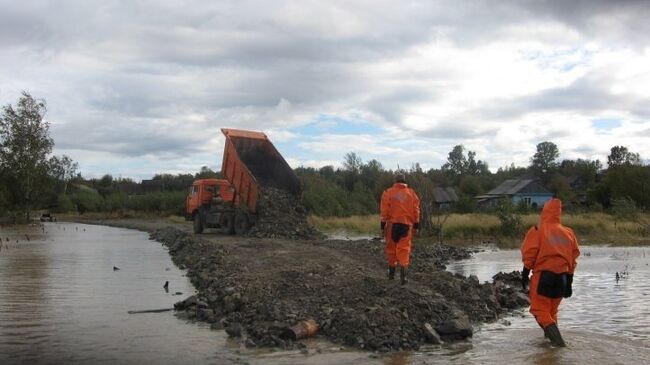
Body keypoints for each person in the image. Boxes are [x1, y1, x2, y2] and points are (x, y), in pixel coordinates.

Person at [521, 198, 580, 347]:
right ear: (559, 213)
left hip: (544, 277)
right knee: (551, 313)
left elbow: (530, 254)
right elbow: (573, 258)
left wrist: (524, 275)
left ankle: (559, 344)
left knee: (539, 311)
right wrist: (570, 282)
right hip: (563, 278)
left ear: (544, 212)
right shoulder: (569, 233)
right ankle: (550, 349)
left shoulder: (538, 230)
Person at [380, 173, 420, 285]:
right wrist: (416, 226)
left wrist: (382, 227)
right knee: (404, 250)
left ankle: (391, 275)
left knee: (391, 250)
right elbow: (416, 211)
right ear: (404, 181)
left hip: (392, 225)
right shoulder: (412, 194)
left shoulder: (388, 193)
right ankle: (404, 278)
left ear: (395, 181)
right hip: (406, 225)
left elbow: (384, 212)